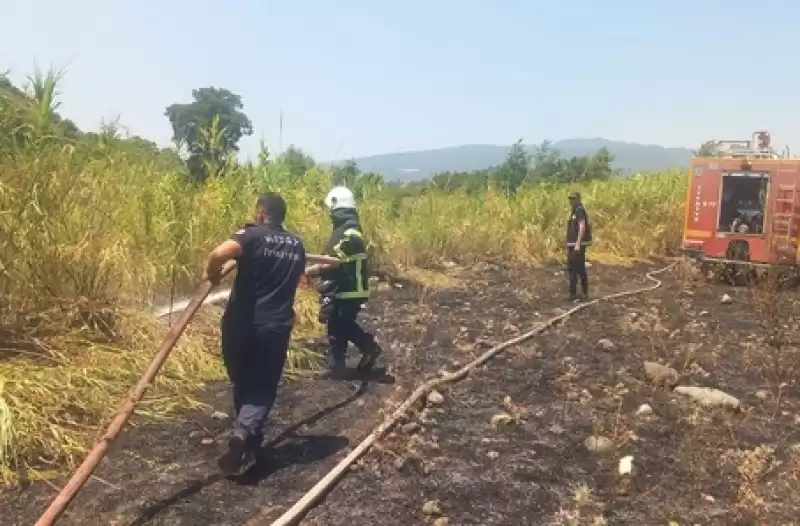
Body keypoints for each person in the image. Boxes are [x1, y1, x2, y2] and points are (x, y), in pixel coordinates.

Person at [204, 192, 306, 474]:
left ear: (261, 213)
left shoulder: (251, 235)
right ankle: (242, 437)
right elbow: (298, 280)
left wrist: (212, 272)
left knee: (243, 383)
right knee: (262, 387)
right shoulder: (297, 245)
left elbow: (218, 253)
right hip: (274, 326)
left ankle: (249, 444)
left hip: (239, 324)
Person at [306, 186, 382, 378]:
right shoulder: (348, 230)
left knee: (341, 325)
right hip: (346, 288)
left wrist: (307, 271)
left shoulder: (349, 233)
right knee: (338, 325)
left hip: (349, 289)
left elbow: (334, 262)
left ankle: (365, 349)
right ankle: (338, 366)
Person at [565, 190, 592, 301]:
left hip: (578, 244)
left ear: (578, 199)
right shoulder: (574, 211)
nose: (571, 201)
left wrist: (577, 243)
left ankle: (575, 294)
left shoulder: (580, 211)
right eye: (570, 199)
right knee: (576, 268)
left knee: (576, 268)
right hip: (572, 244)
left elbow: (582, 226)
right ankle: (579, 293)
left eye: (573, 199)